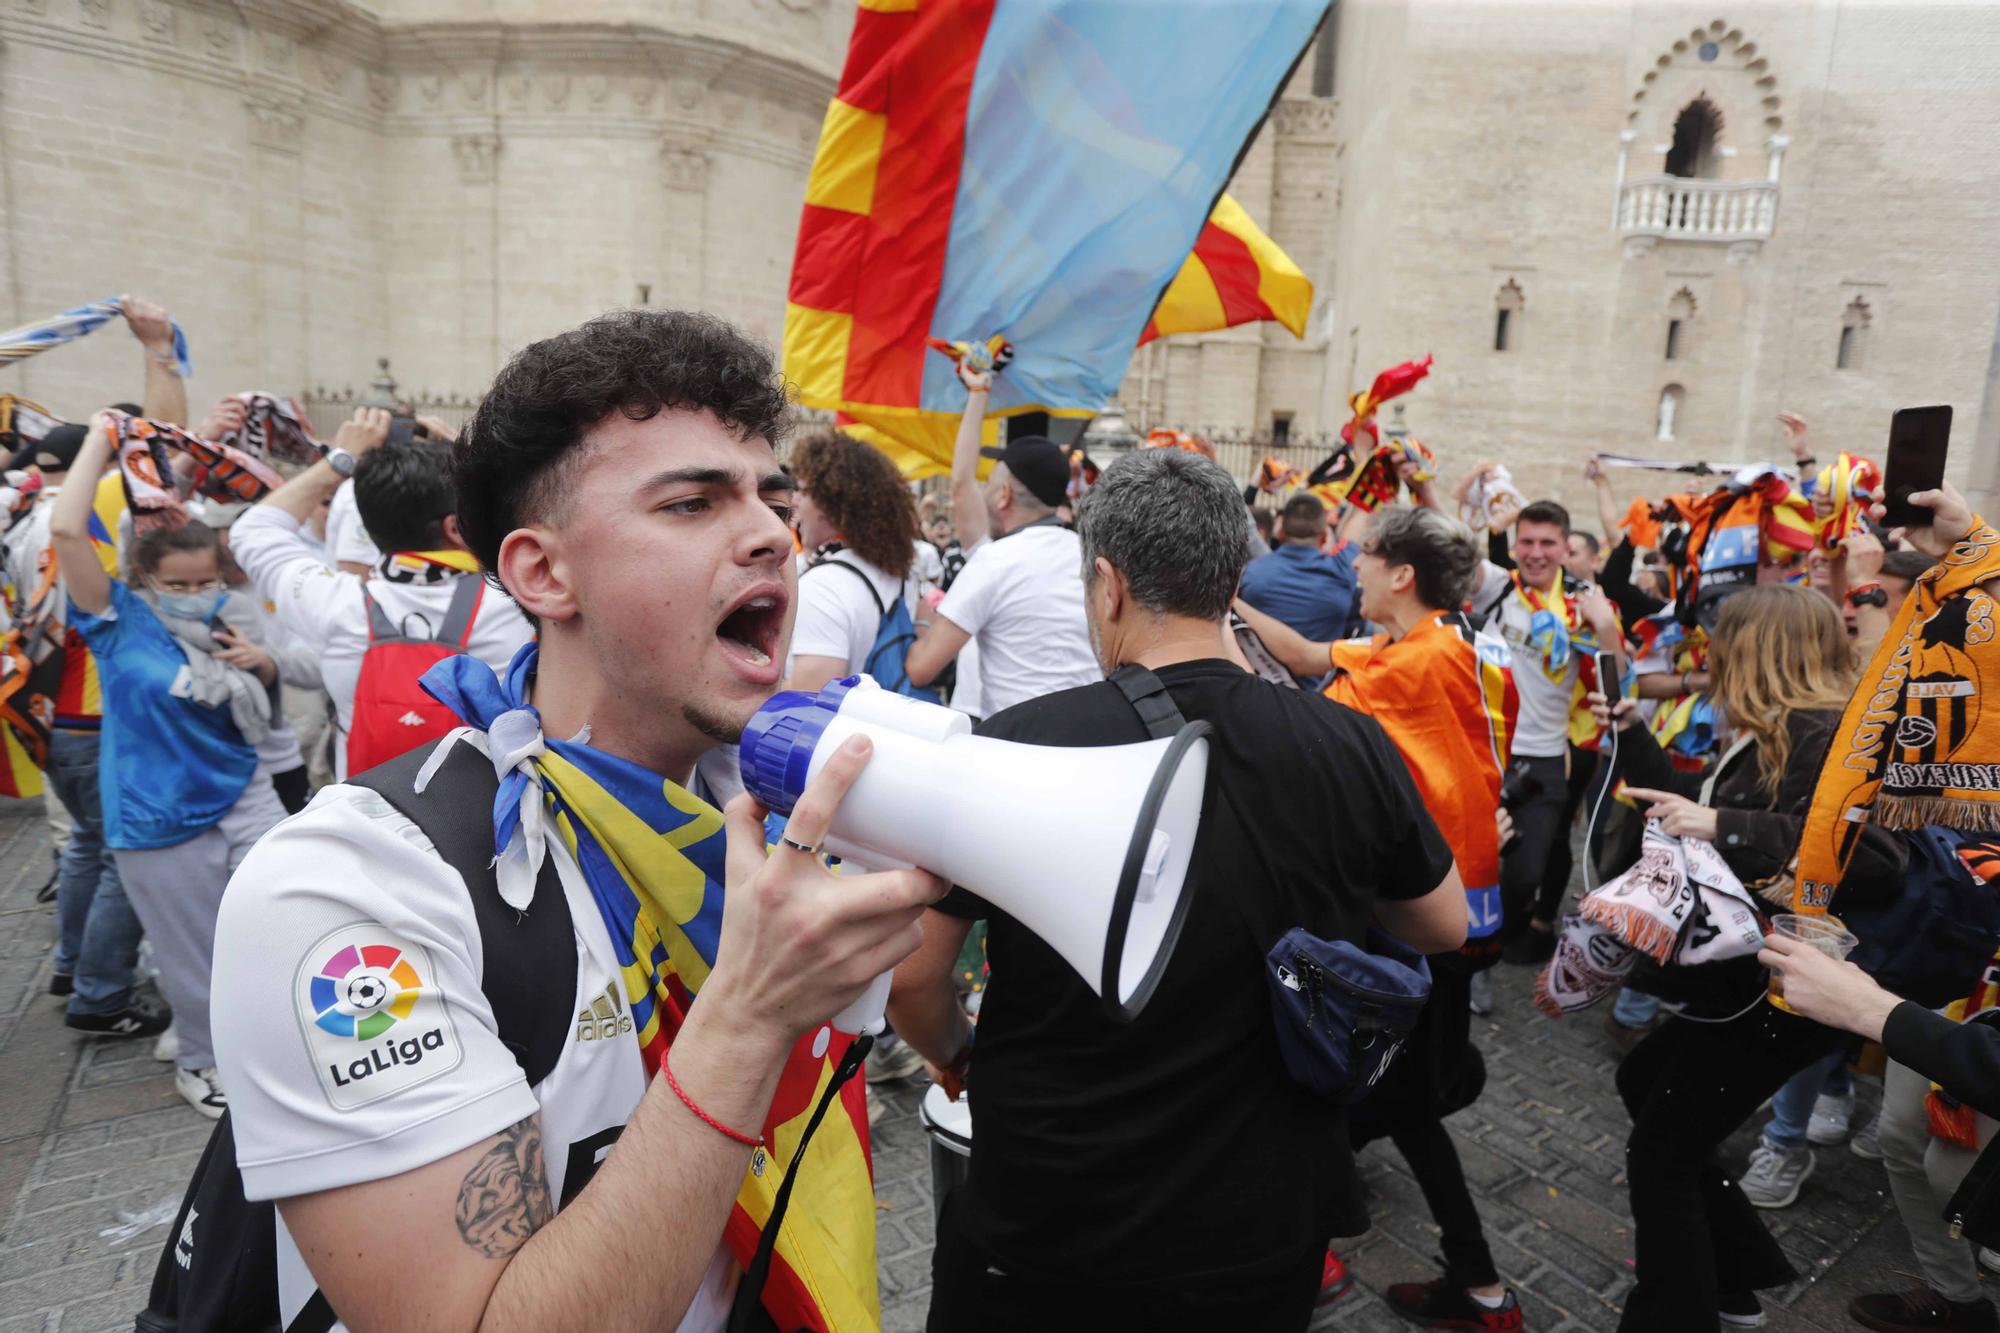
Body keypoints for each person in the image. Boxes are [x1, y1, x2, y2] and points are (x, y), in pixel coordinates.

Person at [210, 309, 941, 1332]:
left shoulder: (762, 818)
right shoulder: (348, 886)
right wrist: (752, 1011)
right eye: (691, 503)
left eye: (773, 501)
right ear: (541, 573)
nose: (773, 534)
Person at [886, 448, 1466, 1331]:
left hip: (1054, 1211)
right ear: (1234, 578)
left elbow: (913, 982)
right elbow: (1442, 922)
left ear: (1108, 585)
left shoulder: (1017, 744)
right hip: (1260, 1218)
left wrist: (959, 1054)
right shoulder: (1347, 741)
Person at [1234, 504, 1522, 1330]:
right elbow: (1301, 653)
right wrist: (1226, 602)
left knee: (1370, 1082)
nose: (1348, 564)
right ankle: (1471, 1276)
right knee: (1399, 1093)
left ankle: (1467, 1281)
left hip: (1417, 912)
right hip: (1439, 903)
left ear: (1401, 574)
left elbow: (1302, 711)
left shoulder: (1417, 661)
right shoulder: (1419, 644)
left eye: (1363, 554)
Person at [1591, 582, 1906, 1331]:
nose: (1712, 658)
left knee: (1663, 1153)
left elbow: (1879, 859)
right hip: (1748, 983)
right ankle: (1732, 1273)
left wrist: (1723, 821)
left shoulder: (1823, 730)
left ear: (1759, 651)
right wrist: (1635, 735)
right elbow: (1691, 815)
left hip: (1784, 991)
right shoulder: (1777, 727)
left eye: (1725, 643)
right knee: (1646, 1082)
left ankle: (1679, 1312)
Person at [50, 416, 290, 1119]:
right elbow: (70, 532)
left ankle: (250, 1034)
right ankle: (200, 1058)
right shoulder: (116, 619)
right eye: (179, 583)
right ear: (145, 580)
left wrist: (261, 663)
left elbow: (270, 699)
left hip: (242, 792)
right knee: (194, 954)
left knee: (273, 918)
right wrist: (100, 436)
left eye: (207, 578)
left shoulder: (227, 619)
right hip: (157, 814)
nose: (197, 591)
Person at [9, 299, 185, 1042]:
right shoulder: (99, 512)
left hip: (52, 716)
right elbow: (169, 446)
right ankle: (101, 989)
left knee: (85, 842)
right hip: (102, 714)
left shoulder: (20, 516)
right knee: (122, 856)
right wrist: (160, 355)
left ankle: (72, 959)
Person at [229, 409, 532, 778]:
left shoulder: (334, 603)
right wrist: (476, 468)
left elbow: (254, 529)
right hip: (487, 823)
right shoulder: (523, 600)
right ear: (456, 527)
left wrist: (340, 459)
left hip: (367, 823)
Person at [1468, 500, 1624, 965]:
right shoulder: (1496, 586)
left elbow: (1616, 691)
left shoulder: (1584, 603)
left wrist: (1608, 628)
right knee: (1464, 859)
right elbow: (1447, 548)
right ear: (1515, 545)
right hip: (1483, 751)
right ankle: (1466, 955)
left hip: (1545, 760)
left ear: (1565, 547)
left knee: (1522, 876)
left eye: (1547, 543)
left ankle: (1491, 943)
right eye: (1527, 542)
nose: (1535, 553)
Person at [902, 433, 1098, 716]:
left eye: (989, 486)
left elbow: (921, 669)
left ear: (1004, 495)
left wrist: (921, 620)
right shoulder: (1092, 558)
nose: (984, 495)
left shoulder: (994, 561)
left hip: (1014, 745)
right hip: (1092, 743)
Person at [784, 430, 925, 694]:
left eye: (802, 491)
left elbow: (811, 698)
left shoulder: (823, 587)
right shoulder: (894, 570)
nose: (794, 501)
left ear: (830, 505)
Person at [1237, 492, 1359, 646]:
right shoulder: (1343, 570)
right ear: (1324, 537)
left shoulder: (1250, 574)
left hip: (1254, 669)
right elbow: (1359, 520)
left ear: (1280, 533)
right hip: (1323, 669)